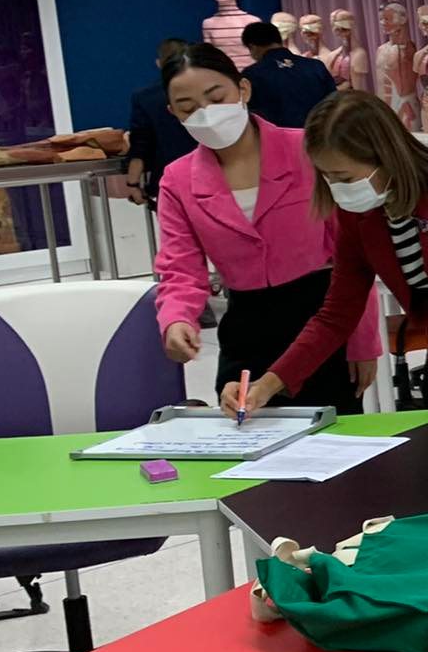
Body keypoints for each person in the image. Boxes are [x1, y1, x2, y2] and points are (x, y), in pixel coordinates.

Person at [221, 90, 428, 415]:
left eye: (344, 177)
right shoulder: (359, 215)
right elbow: (337, 314)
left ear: (385, 156)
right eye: (326, 177)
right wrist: (266, 386)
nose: (336, 188)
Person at [153, 44, 380, 413]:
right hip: (247, 327)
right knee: (246, 429)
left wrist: (363, 340)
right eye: (188, 107)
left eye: (216, 98)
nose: (205, 114)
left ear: (243, 89)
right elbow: (180, 268)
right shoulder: (177, 180)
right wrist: (177, 319)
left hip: (324, 316)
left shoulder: (308, 150)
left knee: (333, 435)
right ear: (173, 113)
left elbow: (354, 254)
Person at [125, 38, 197, 207]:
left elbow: (140, 146)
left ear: (159, 63)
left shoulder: (145, 97)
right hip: (214, 177)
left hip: (170, 183)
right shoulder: (206, 90)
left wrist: (133, 184)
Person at [241, 20, 338, 129]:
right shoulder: (315, 66)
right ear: (278, 40)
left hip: (277, 137)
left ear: (252, 47)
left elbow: (250, 116)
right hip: (319, 134)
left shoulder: (252, 74)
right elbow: (334, 103)